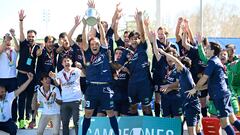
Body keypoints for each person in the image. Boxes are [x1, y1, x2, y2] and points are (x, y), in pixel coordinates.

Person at [81, 1, 119, 134]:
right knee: (88, 114)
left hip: (105, 87)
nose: (94, 46)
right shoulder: (87, 52)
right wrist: (85, 26)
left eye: (96, 44)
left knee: (111, 113)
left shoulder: (103, 50)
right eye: (92, 44)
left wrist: (98, 22)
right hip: (91, 88)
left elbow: (103, 37)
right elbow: (85, 41)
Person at [187, 42, 240, 135]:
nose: (206, 50)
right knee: (233, 119)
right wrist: (199, 88)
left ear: (212, 50)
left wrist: (194, 89)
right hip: (223, 94)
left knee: (225, 123)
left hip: (219, 96)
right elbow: (212, 83)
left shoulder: (212, 61)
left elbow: (204, 78)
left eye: (207, 48)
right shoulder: (216, 60)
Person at [17, 9, 40, 128]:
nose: (30, 38)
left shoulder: (36, 47)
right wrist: (21, 20)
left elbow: (40, 54)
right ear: (27, 37)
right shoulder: (23, 43)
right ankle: (21, 120)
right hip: (21, 75)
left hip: (31, 77)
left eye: (32, 36)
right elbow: (20, 31)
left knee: (30, 99)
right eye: (29, 36)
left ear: (35, 37)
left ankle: (29, 119)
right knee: (21, 98)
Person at [49, 55, 83, 135]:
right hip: (65, 101)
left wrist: (81, 67)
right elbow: (57, 84)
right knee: (64, 123)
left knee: (76, 123)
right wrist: (53, 78)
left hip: (76, 100)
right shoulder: (60, 73)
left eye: (68, 60)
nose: (66, 62)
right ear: (62, 64)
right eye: (64, 61)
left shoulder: (76, 70)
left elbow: (85, 75)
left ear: (71, 62)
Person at [0, 29, 19, 122]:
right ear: (4, 40)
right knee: (1, 98)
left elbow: (18, 47)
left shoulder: (14, 50)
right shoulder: (1, 50)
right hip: (2, 79)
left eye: (9, 40)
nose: (8, 41)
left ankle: (14, 119)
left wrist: (13, 36)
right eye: (7, 39)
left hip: (12, 79)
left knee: (13, 100)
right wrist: (5, 39)